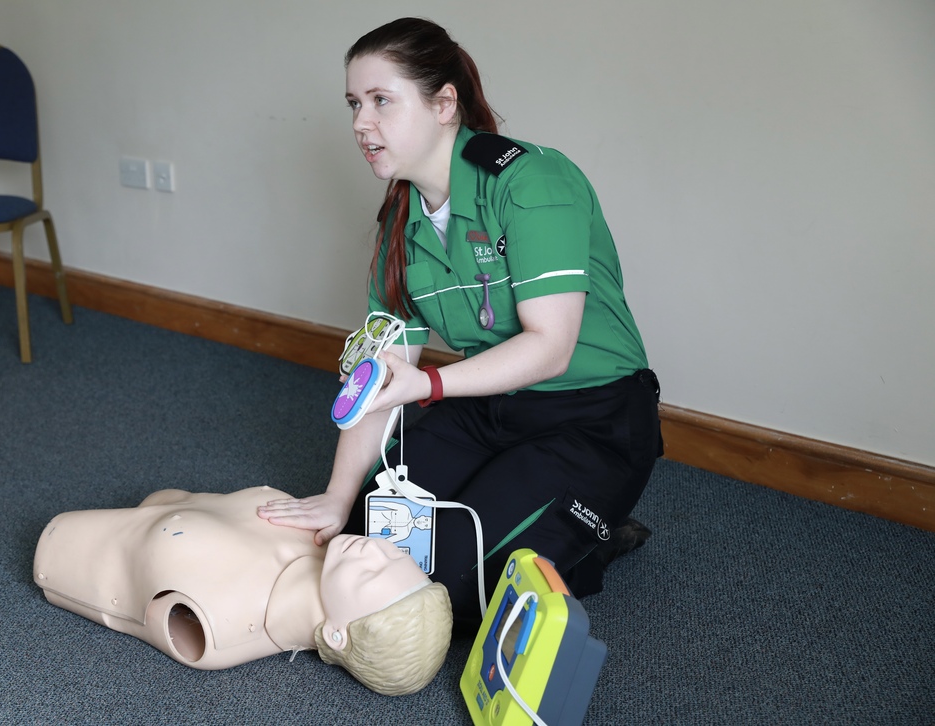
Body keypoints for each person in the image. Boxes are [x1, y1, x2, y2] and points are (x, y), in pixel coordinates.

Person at [259, 17, 663, 633]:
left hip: (590, 416)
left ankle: (595, 537)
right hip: (488, 404)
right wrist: (338, 499)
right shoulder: (400, 226)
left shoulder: (531, 182)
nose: (360, 123)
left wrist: (427, 385)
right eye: (354, 104)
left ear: (445, 104)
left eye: (381, 100)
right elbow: (379, 376)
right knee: (370, 539)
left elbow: (551, 348)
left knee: (455, 585)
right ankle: (523, 508)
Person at [33, 486, 452, 696]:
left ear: (337, 634)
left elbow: (121, 595)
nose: (374, 548)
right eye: (395, 555)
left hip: (62, 545)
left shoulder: (222, 626)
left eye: (370, 575)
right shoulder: (319, 542)